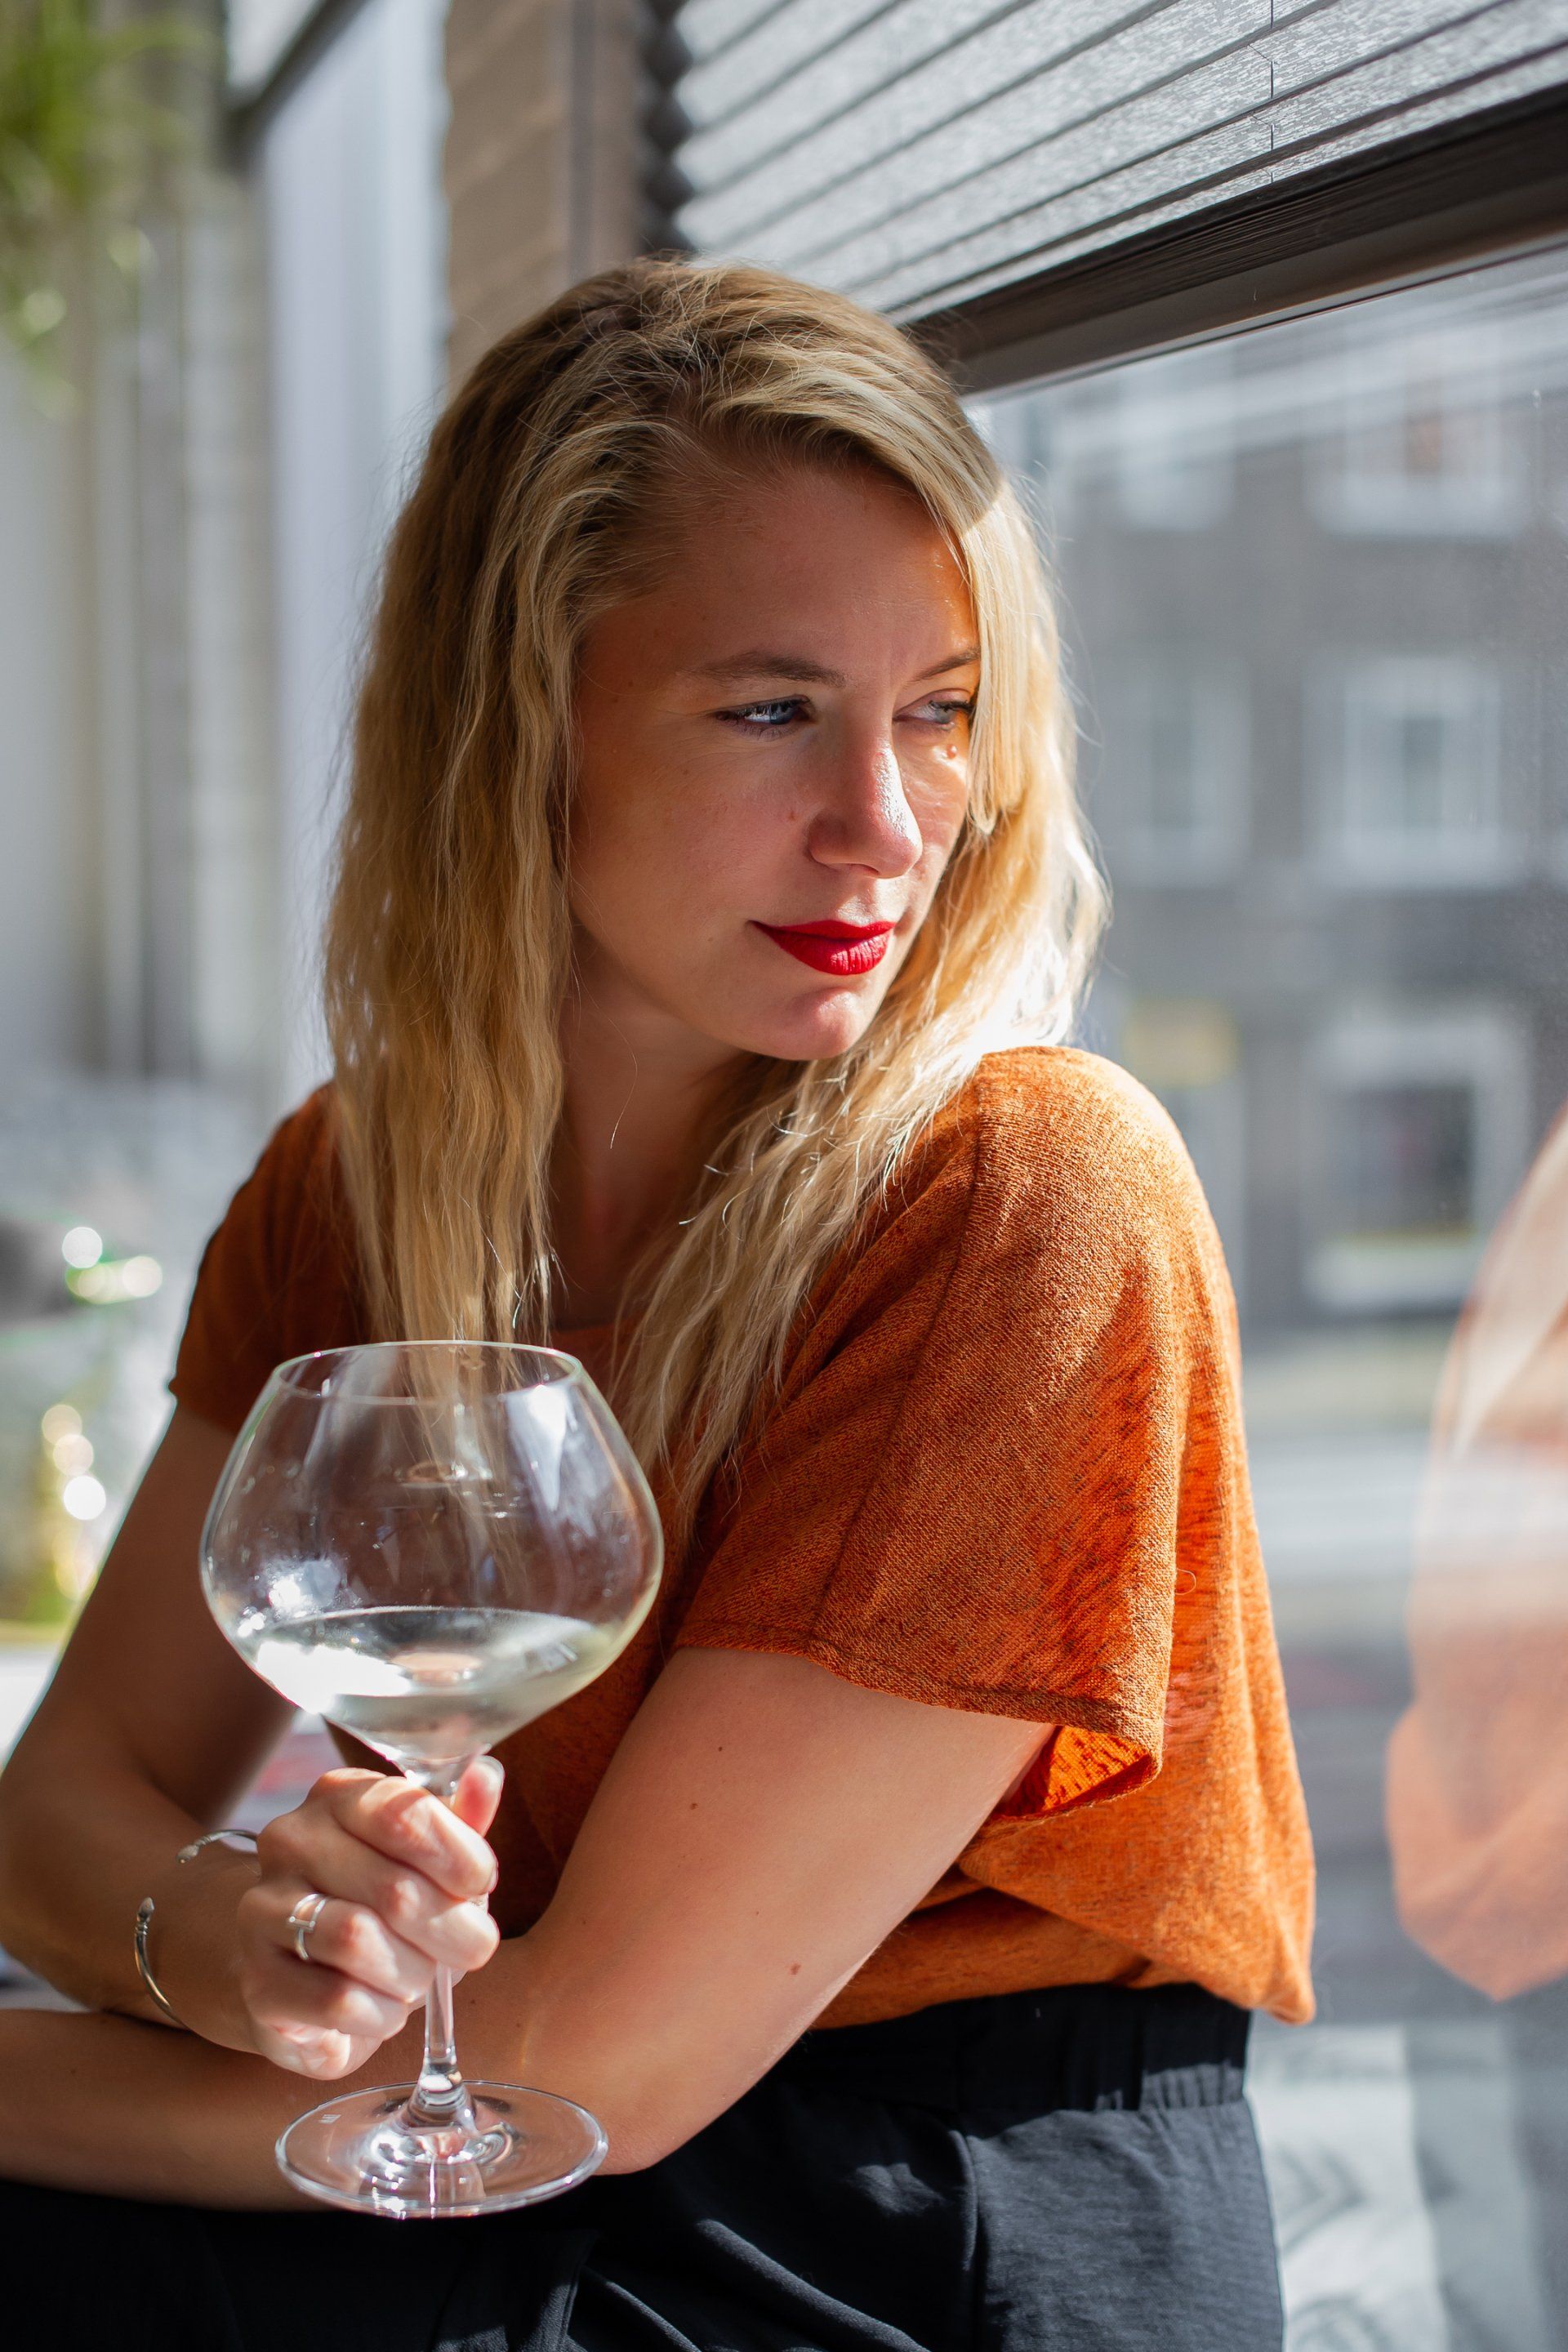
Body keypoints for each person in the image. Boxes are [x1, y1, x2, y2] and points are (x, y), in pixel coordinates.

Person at [0, 259, 1312, 2350]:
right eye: (773, 708)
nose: (888, 825)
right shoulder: (358, 1187)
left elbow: (578, 2068)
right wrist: (216, 1931)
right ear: (520, 734)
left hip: (924, 2227)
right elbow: (67, 1809)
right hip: (507, 2158)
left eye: (943, 709)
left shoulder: (1025, 1197)